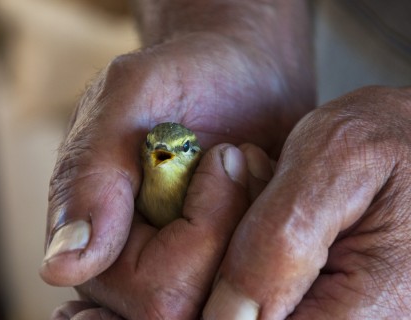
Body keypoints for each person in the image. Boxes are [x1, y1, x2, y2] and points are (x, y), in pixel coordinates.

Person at [39, 0, 411, 318]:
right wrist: (233, 30)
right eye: (153, 150)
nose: (161, 156)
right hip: (345, 40)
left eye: (176, 150)